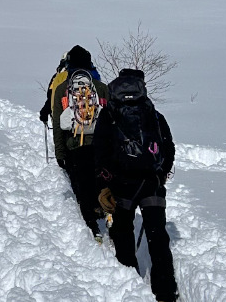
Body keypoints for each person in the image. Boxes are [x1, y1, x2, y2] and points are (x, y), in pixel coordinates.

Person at [91, 68, 177, 302]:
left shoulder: (110, 114)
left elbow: (100, 151)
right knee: (157, 237)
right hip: (152, 183)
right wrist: (161, 174)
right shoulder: (154, 114)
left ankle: (129, 282)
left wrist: (104, 184)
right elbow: (168, 148)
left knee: (122, 232)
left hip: (122, 184)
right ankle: (166, 292)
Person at [38, 45, 109, 240]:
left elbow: (59, 123)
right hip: (99, 144)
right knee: (97, 179)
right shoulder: (100, 86)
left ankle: (92, 227)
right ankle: (101, 210)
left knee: (81, 184)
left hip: (74, 144)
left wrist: (60, 154)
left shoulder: (63, 88)